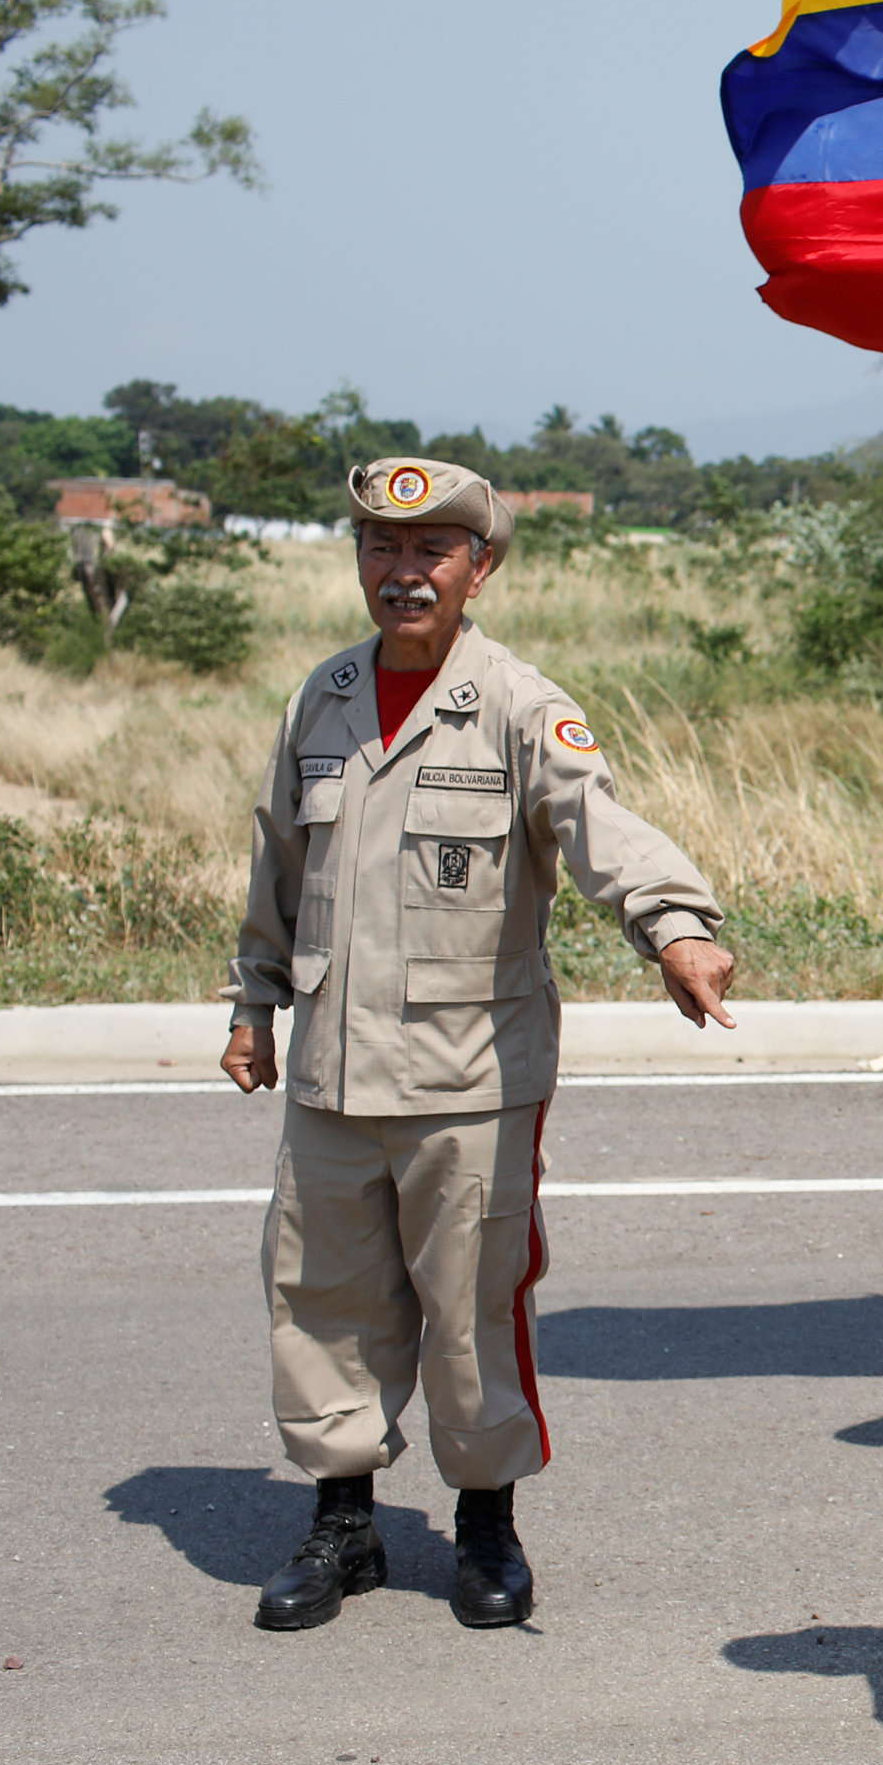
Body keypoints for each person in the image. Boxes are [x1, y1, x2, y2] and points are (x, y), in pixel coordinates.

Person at [225, 457, 735, 1634]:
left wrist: (675, 927)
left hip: (469, 1078)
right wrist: (252, 1001)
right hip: (330, 1076)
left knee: (469, 1310)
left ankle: (486, 1526)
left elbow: (599, 824)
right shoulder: (324, 698)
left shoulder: (516, 702)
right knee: (320, 1299)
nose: (404, 574)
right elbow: (277, 869)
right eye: (382, 551)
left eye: (432, 553)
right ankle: (342, 1523)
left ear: (478, 567)